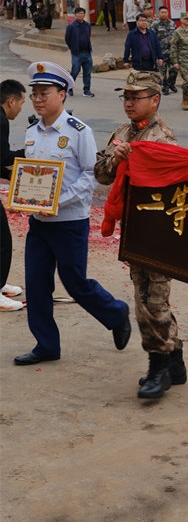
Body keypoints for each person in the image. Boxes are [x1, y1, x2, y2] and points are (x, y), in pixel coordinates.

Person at [12, 62, 132, 366]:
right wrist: (23, 198)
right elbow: (32, 176)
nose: (38, 99)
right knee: (37, 284)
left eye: (45, 93)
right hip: (39, 223)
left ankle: (116, 313)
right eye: (34, 94)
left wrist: (57, 202)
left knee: (75, 282)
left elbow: (90, 176)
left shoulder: (78, 132)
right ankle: (46, 344)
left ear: (62, 94)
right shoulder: (31, 133)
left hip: (69, 223)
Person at [93, 70, 184, 399]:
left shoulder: (163, 139)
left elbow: (174, 189)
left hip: (157, 234)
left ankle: (158, 368)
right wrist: (116, 161)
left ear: (155, 100)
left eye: (136, 97)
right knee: (148, 296)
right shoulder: (123, 132)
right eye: (126, 97)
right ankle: (175, 360)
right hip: (134, 231)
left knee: (151, 301)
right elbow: (100, 173)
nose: (129, 102)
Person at [0, 79, 26, 311]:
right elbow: (4, 158)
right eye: (21, 103)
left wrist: (11, 178)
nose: (20, 109)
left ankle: (0, 284)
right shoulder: (0, 119)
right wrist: (29, 153)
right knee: (3, 240)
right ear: (10, 101)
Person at [65, 7, 95, 98]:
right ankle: (69, 87)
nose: (80, 15)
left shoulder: (87, 25)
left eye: (82, 13)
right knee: (75, 71)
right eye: (78, 13)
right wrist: (73, 48)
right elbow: (67, 39)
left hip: (87, 52)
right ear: (75, 15)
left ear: (84, 15)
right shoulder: (71, 26)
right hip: (76, 53)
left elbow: (88, 36)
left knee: (87, 72)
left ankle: (87, 90)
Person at [150, 6, 178, 96]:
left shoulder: (172, 24)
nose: (163, 14)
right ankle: (165, 87)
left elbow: (176, 37)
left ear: (168, 13)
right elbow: (151, 39)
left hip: (172, 53)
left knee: (174, 70)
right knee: (162, 72)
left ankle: (171, 84)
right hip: (161, 53)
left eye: (165, 12)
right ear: (159, 13)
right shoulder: (155, 24)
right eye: (162, 12)